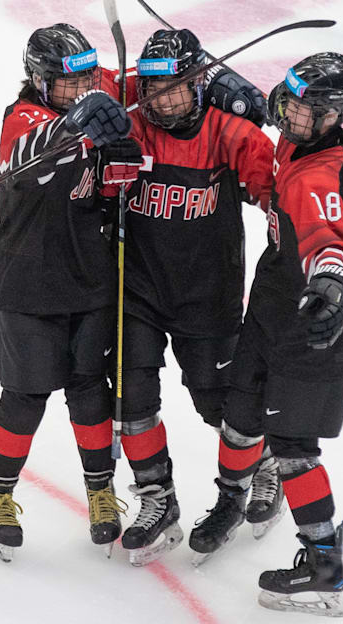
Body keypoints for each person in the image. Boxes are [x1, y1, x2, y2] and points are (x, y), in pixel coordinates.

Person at [216, 52, 343, 617]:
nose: (287, 115)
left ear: (332, 116)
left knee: (292, 444)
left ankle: (325, 570)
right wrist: (224, 85)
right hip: (281, 289)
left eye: (302, 108)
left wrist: (331, 289)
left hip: (323, 311)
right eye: (286, 100)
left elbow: (328, 245)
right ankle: (232, 499)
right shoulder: (318, 138)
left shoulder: (318, 177)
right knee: (240, 407)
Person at [0, 23, 143, 560]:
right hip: (26, 287)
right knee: (24, 400)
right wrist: (77, 128)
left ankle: (100, 492)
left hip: (89, 281)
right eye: (68, 83)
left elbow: (149, 91)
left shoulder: (92, 101)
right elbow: (30, 161)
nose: (81, 90)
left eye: (86, 79)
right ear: (38, 80)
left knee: (91, 390)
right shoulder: (21, 119)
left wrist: (123, 152)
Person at [114, 28, 276, 566]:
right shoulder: (131, 121)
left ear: (199, 83)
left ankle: (265, 462)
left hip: (208, 296)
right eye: (152, 91)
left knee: (218, 402)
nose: (161, 102)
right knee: (131, 399)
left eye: (174, 90)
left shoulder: (234, 134)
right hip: (139, 291)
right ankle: (158, 500)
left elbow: (282, 197)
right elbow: (92, 85)